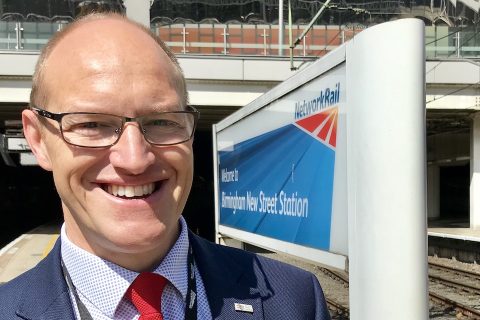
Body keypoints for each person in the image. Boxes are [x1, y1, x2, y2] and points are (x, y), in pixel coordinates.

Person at [0, 13, 331, 320]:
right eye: (92, 125)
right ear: (38, 139)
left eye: (161, 121)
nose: (134, 159)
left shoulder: (295, 300)